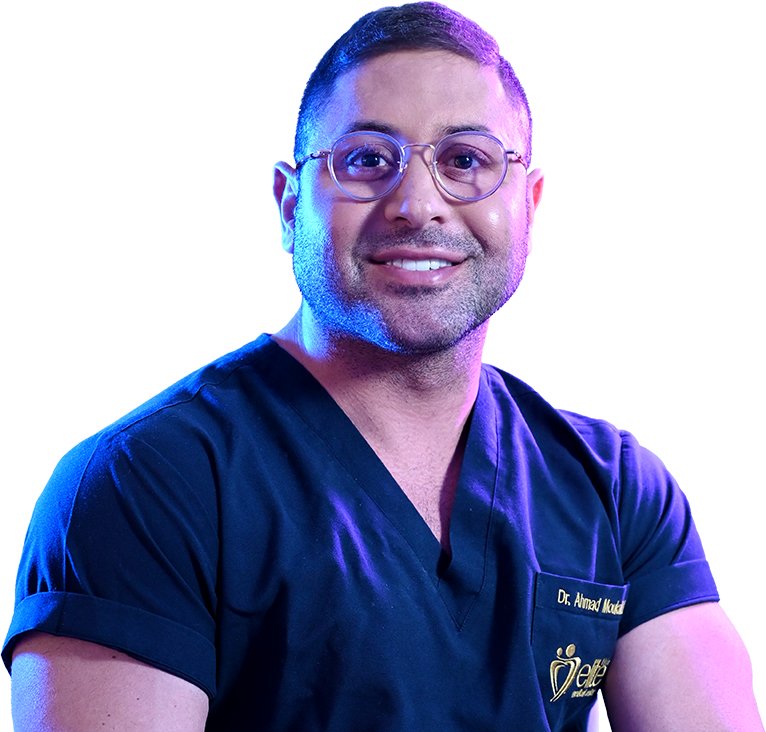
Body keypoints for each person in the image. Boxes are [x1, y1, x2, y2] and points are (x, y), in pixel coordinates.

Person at [3, 3, 762, 731]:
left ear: (530, 204)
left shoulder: (615, 490)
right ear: (289, 201)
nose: (417, 204)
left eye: (466, 160)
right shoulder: (145, 487)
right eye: (367, 160)